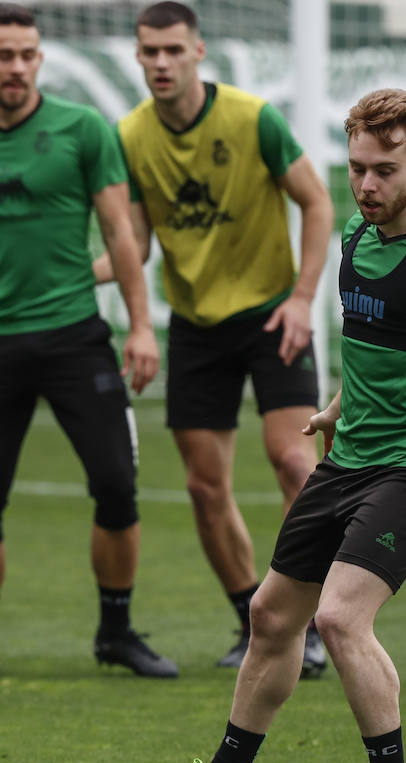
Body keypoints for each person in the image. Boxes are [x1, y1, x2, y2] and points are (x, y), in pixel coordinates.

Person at [139, 88, 406, 763]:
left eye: (385, 170)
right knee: (271, 615)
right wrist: (341, 403)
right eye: (356, 169)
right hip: (349, 460)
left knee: (339, 617)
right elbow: (383, 343)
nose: (367, 185)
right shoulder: (353, 235)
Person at [0, 2, 175, 680]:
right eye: (3, 55)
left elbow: (123, 236)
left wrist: (143, 326)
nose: (17, 67)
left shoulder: (85, 130)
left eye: (28, 54)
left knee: (118, 486)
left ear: (40, 59)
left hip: (77, 339)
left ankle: (116, 633)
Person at [95, 1, 334, 673]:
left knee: (294, 462)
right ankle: (253, 622)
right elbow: (133, 241)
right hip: (196, 326)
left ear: (199, 51)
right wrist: (74, 274)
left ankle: (305, 620)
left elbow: (317, 203)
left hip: (271, 315)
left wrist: (302, 301)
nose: (162, 62)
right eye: (150, 52)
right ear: (137, 57)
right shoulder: (128, 136)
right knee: (204, 488)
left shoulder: (253, 118)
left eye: (174, 49)